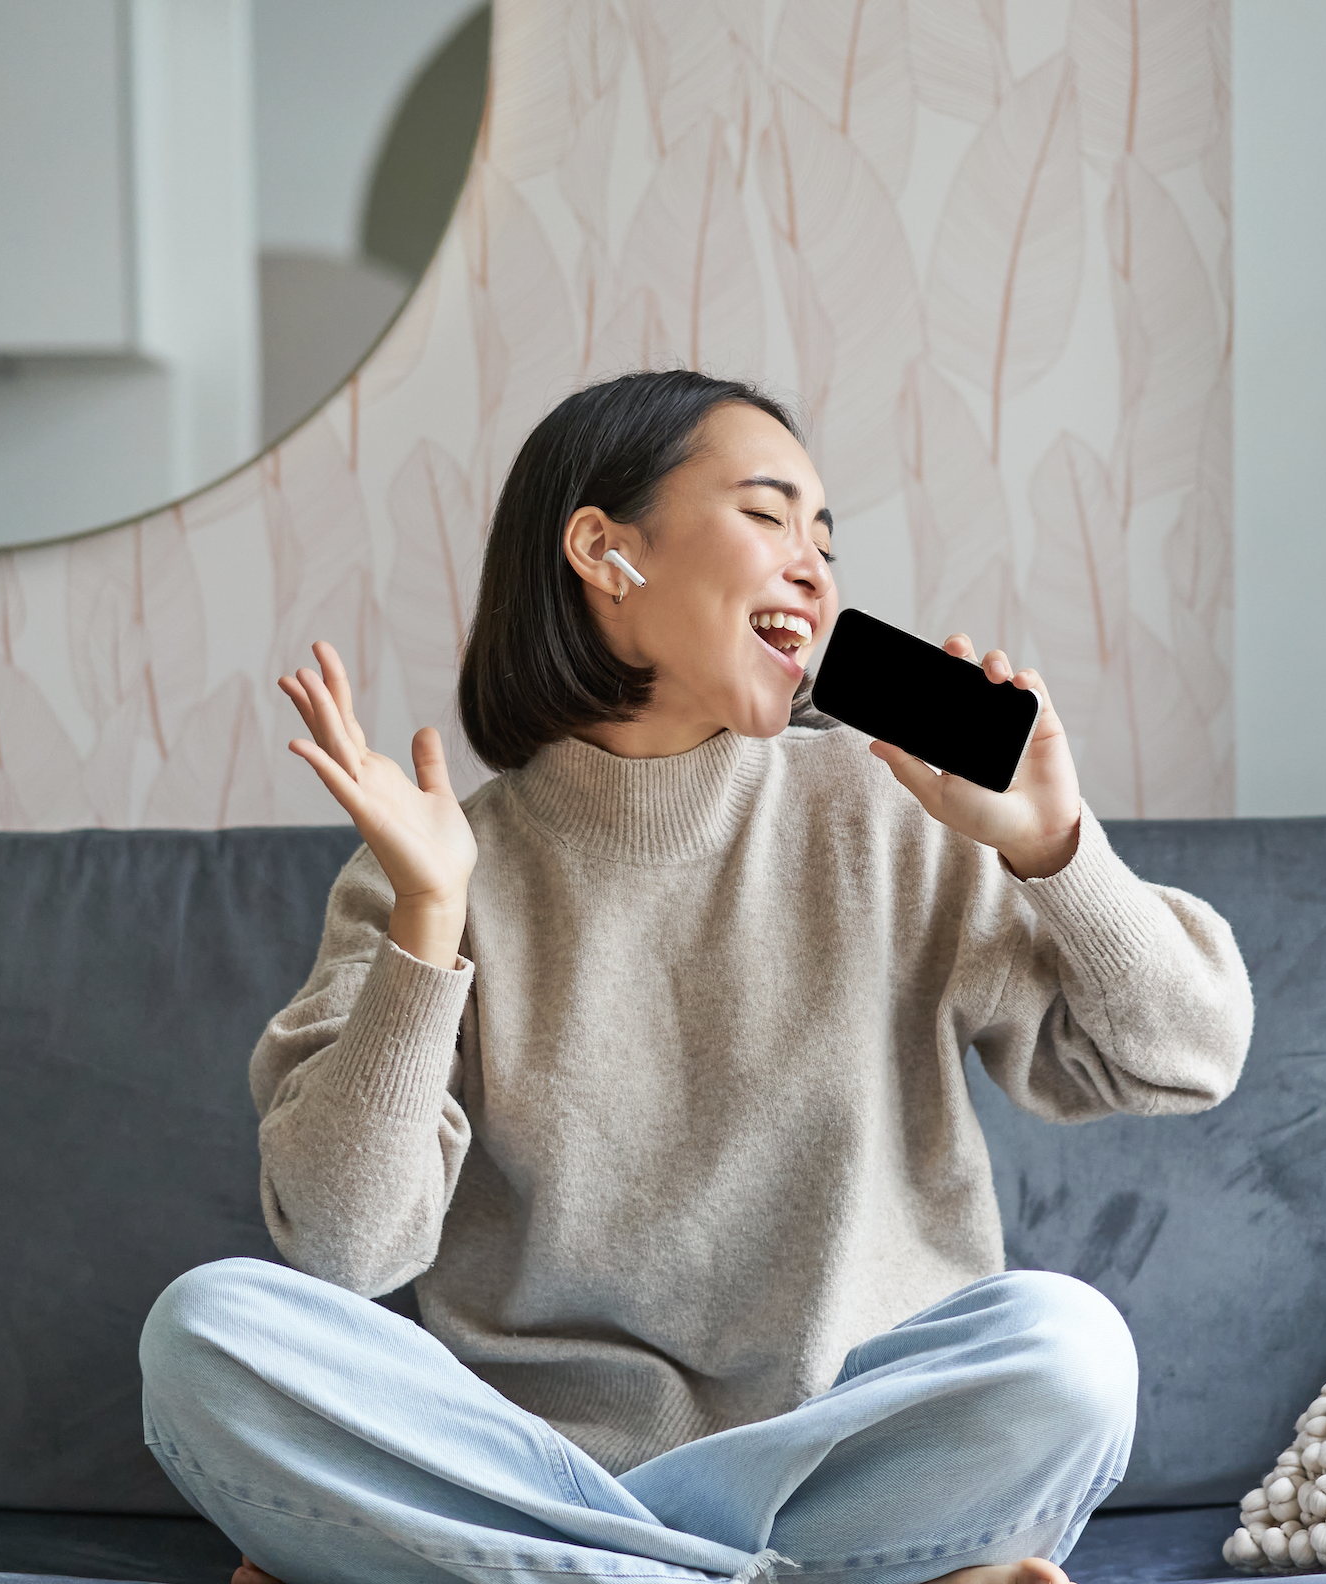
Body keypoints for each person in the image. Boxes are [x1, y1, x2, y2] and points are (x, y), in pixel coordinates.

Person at [138, 370, 1254, 1584]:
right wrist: (426, 922)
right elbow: (344, 1252)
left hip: (833, 1452)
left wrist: (1054, 847)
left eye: (826, 540)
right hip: (540, 1458)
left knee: (1069, 1351)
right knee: (209, 1332)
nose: (815, 568)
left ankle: (565, 1571)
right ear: (605, 553)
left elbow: (1186, 1058)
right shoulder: (434, 868)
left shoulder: (897, 810)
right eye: (769, 516)